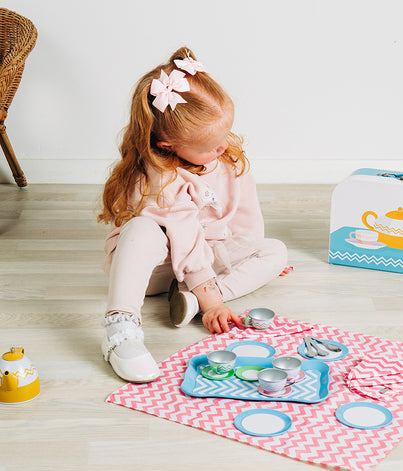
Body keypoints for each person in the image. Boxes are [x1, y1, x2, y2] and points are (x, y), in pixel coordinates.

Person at [97, 47, 289, 383]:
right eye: (210, 145)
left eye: (223, 136)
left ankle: (190, 300)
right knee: (144, 229)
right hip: (155, 268)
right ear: (168, 143)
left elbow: (245, 214)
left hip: (203, 258)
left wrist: (248, 252)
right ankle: (121, 325)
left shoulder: (225, 154)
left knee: (274, 250)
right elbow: (183, 233)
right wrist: (213, 301)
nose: (222, 148)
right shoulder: (161, 173)